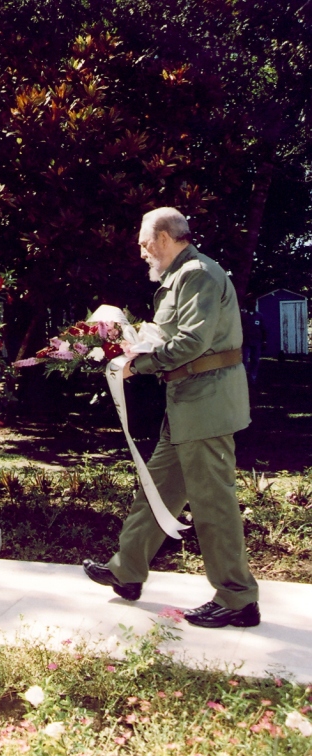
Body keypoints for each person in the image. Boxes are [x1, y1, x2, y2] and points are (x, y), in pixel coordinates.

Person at [83, 207, 259, 629]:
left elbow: (193, 342)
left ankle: (238, 599)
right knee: (157, 491)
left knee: (213, 504)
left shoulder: (198, 273)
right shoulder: (179, 277)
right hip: (188, 403)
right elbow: (166, 336)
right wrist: (125, 344)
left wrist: (136, 365)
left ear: (164, 237)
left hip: (207, 404)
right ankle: (127, 571)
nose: (142, 252)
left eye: (144, 243)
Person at [240, 304, 266, 384]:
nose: (252, 305)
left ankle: (252, 378)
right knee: (244, 361)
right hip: (246, 342)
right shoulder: (243, 316)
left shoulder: (259, 316)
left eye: (253, 304)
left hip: (256, 342)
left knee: (255, 361)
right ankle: (243, 379)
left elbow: (263, 328)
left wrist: (264, 340)